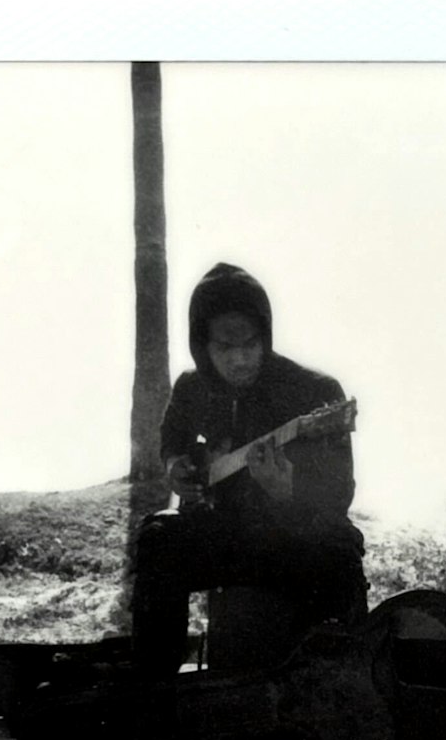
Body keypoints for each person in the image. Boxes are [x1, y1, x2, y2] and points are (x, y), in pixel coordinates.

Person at [131, 262, 366, 680]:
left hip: (296, 541)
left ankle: (343, 686)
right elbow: (172, 436)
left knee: (340, 549)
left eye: (250, 344)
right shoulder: (192, 389)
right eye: (224, 348)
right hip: (228, 536)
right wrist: (175, 465)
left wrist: (286, 490)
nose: (240, 358)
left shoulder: (315, 392)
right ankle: (155, 694)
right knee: (158, 539)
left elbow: (339, 494)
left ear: (266, 337)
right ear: (203, 347)